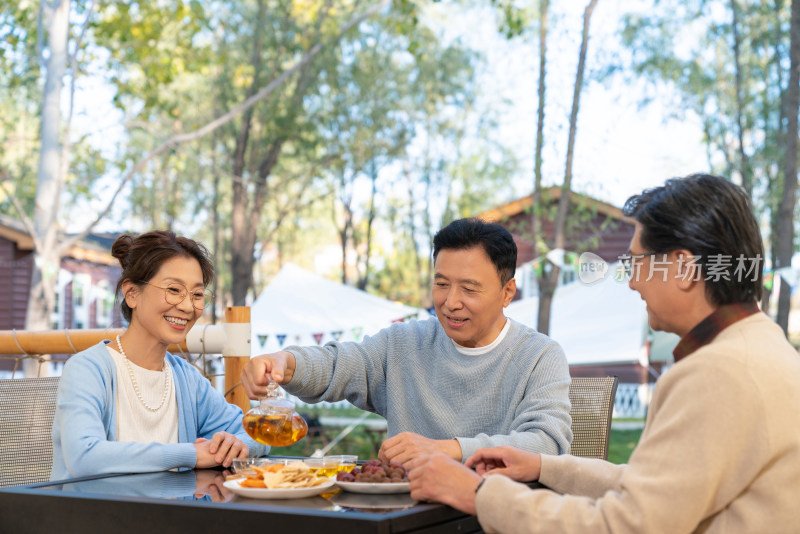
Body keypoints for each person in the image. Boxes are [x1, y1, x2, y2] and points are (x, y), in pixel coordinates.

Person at [407, 174, 800, 533]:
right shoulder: (759, 347)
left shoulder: (718, 372)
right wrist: (543, 466)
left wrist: (476, 495)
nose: (632, 282)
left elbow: (625, 526)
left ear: (682, 268)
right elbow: (658, 489)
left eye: (636, 262)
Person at [241, 218, 572, 466]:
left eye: (469, 289)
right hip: (406, 514)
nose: (451, 301)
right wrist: (286, 362)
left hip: (494, 518)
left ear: (507, 292)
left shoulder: (539, 356)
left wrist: (447, 449)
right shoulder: (404, 344)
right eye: (442, 284)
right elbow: (338, 365)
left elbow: (546, 445)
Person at [51, 231, 267, 480]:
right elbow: (83, 457)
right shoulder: (87, 369)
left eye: (197, 295)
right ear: (131, 293)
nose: (188, 306)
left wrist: (237, 446)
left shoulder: (186, 379)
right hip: (93, 516)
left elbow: (256, 434)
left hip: (169, 516)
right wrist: (193, 455)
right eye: (174, 290)